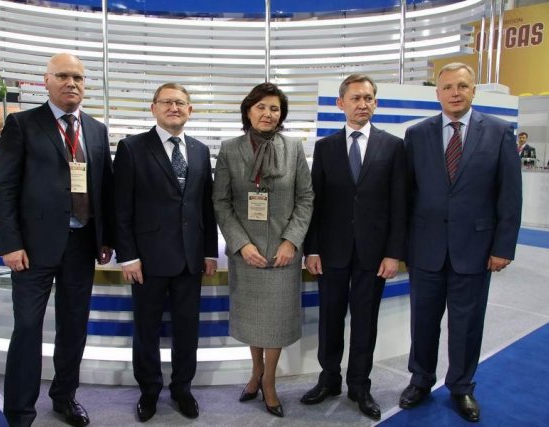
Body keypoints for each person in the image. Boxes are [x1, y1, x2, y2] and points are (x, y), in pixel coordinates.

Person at [0, 53, 114, 427]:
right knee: (28, 327)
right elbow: (4, 187)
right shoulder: (22, 124)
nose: (71, 83)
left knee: (74, 328)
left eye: (78, 77)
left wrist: (105, 237)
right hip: (32, 249)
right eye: (62, 75)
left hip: (81, 245)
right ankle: (19, 411)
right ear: (46, 81)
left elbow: (104, 187)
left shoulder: (96, 130)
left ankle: (64, 398)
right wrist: (10, 244)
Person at [399, 62, 522, 422]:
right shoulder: (416, 134)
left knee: (467, 325)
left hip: (476, 250)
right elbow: (406, 195)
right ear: (437, 94)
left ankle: (461, 386)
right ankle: (420, 380)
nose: (455, 93)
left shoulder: (498, 132)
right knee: (423, 321)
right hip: (426, 249)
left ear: (473, 91)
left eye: (462, 86)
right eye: (448, 87)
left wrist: (502, 247)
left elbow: (510, 195)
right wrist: (402, 246)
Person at [300, 74, 406, 420]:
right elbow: (315, 202)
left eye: (368, 98)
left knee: (365, 322)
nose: (363, 104)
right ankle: (329, 380)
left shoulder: (393, 146)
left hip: (373, 254)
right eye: (356, 98)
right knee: (330, 320)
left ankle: (359, 385)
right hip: (331, 252)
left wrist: (393, 253)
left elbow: (399, 204)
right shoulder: (325, 147)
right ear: (340, 103)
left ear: (376, 103)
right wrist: (312, 249)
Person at [113, 83, 218, 422]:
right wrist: (128, 256)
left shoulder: (200, 150)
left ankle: (182, 389)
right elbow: (121, 207)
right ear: (153, 107)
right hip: (147, 259)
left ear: (190, 110)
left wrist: (210, 252)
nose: (174, 107)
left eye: (180, 103)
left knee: (187, 329)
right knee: (147, 330)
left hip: (190, 258)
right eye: (167, 102)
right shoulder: (131, 148)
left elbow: (205, 207)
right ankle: (149, 391)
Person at [212, 82, 313, 418]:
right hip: (247, 254)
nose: (268, 114)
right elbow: (221, 201)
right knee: (254, 320)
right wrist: (241, 245)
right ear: (248, 111)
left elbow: (306, 198)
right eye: (261, 107)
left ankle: (269, 381)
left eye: (274, 108)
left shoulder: (293, 148)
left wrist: (291, 241)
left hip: (284, 253)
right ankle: (255, 372)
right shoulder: (230, 149)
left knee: (276, 322)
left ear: (281, 115)